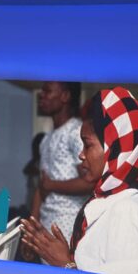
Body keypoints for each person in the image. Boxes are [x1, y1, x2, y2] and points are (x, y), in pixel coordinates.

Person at [21, 87, 138, 274]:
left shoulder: (127, 211)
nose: (81, 154)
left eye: (87, 145)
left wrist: (65, 264)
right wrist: (68, 258)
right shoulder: (107, 201)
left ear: (114, 148)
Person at [33, 81, 95, 244]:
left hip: (68, 225)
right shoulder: (46, 138)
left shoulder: (76, 132)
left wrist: (52, 185)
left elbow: (89, 182)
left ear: (65, 96)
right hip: (46, 223)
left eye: (47, 91)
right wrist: (32, 227)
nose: (41, 95)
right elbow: (42, 185)